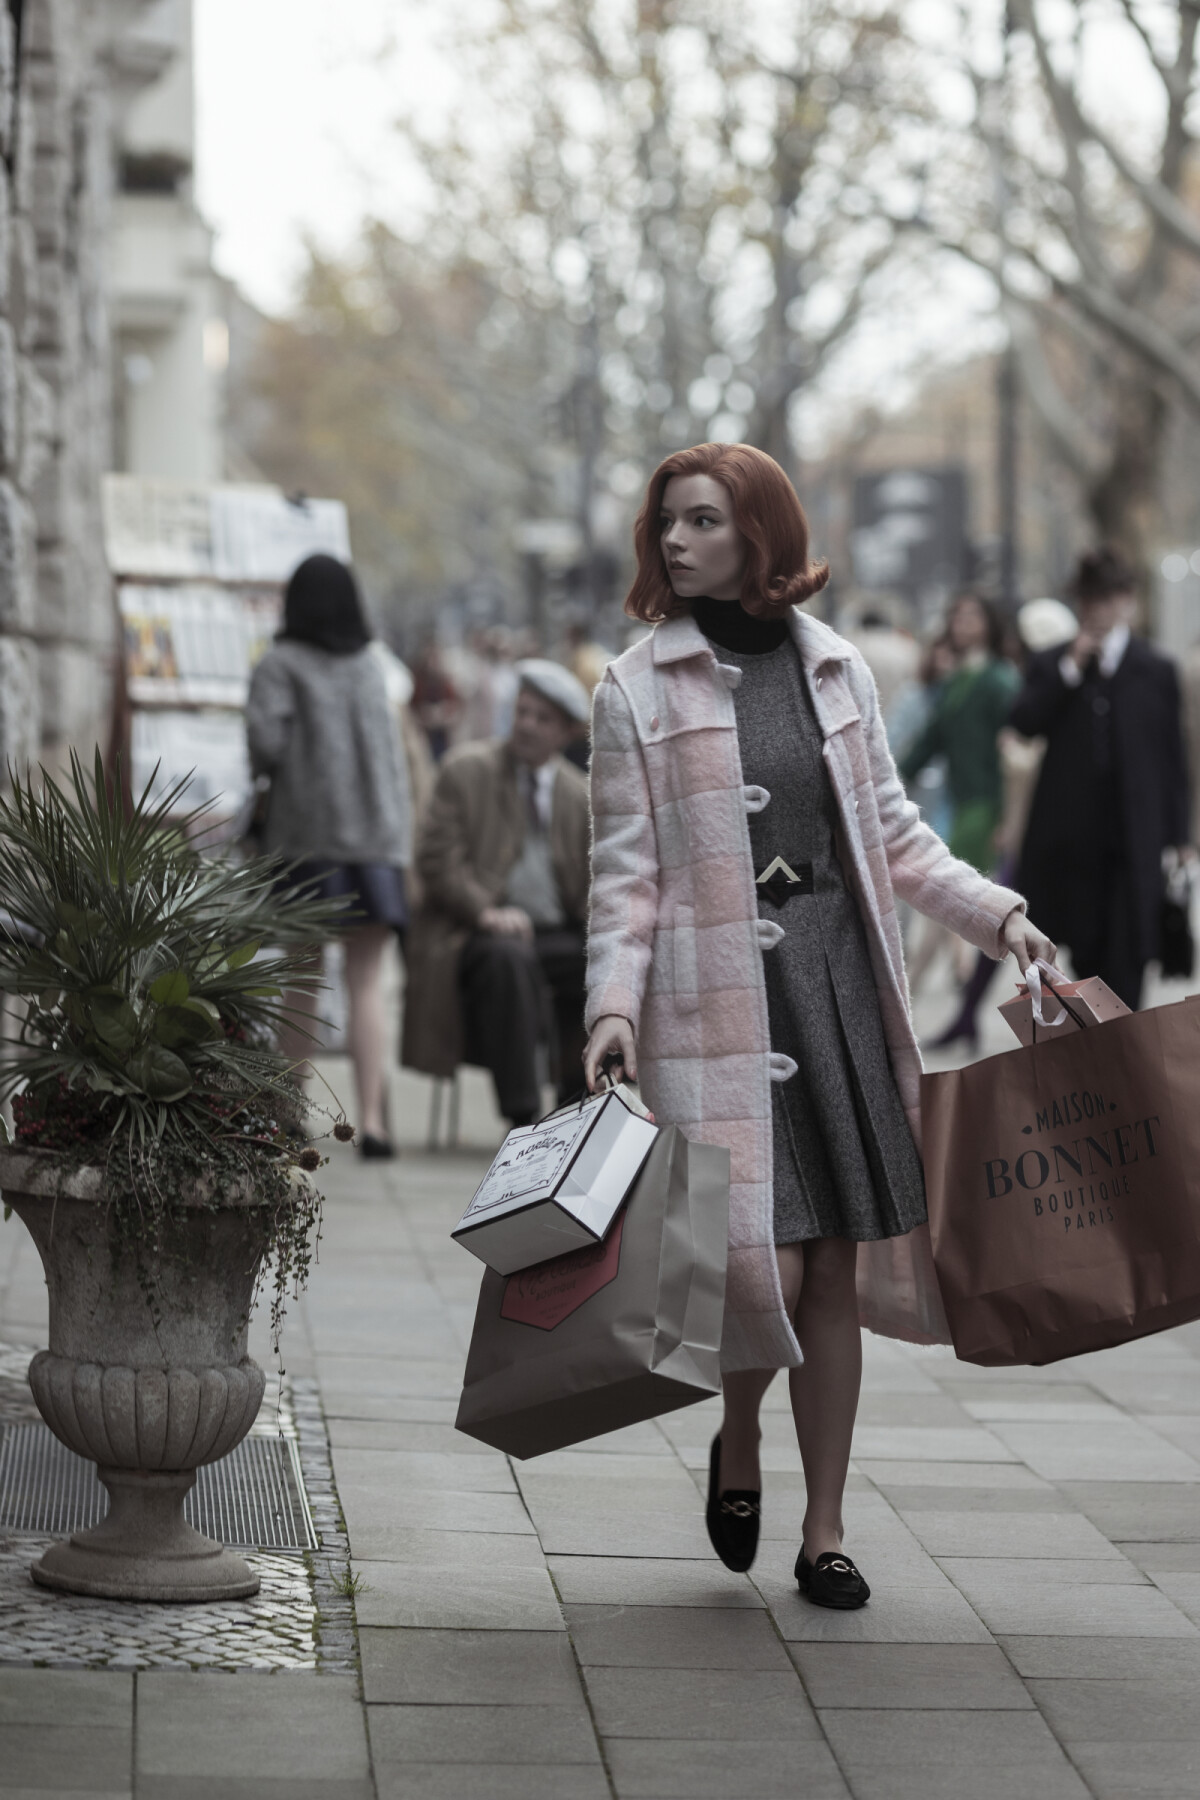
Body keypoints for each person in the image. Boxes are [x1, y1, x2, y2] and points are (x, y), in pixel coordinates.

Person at [583, 443, 1053, 1609]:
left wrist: (1001, 919)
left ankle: (827, 1530)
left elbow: (894, 836)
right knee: (760, 1266)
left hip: (835, 997)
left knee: (830, 1270)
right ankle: (739, 1435)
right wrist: (608, 1005)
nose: (676, 542)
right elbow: (625, 879)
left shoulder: (836, 669)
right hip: (711, 1009)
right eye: (668, 523)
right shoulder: (634, 688)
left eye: (701, 521)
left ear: (760, 534)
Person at [247, 554, 412, 1158]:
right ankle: (373, 1124)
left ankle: (291, 1115)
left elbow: (265, 745)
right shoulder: (370, 666)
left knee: (303, 978)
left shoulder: (279, 664)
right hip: (376, 844)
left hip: (306, 843)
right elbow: (391, 760)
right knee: (368, 982)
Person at [402, 660, 591, 1126]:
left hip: (556, 932)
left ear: (567, 731)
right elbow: (437, 859)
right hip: (471, 934)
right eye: (521, 712)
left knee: (603, 964)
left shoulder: (579, 794)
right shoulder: (466, 770)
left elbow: (596, 882)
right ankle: (523, 1120)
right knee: (509, 959)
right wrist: (486, 911)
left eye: (542, 718)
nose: (525, 725)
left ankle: (576, 1112)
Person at [1010, 548, 1190, 1010]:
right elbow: (1024, 721)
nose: (1097, 610)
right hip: (1073, 848)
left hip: (1135, 842)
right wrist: (1070, 668)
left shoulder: (1156, 669)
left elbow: (1173, 758)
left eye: (1107, 599)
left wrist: (1182, 836)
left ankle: (1123, 1064)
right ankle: (1096, 1071)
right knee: (1083, 959)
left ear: (1127, 600)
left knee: (1129, 961)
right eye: (1089, 600)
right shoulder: (1054, 663)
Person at [899, 594, 1020, 1048]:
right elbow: (927, 743)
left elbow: (1017, 753)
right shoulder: (956, 682)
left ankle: (907, 1009)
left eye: (971, 615)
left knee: (938, 912)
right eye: (957, 615)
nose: (962, 622)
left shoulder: (999, 680)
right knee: (941, 912)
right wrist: (883, 781)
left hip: (986, 808)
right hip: (962, 805)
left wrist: (1009, 815)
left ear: (989, 623)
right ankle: (947, 1014)